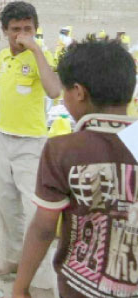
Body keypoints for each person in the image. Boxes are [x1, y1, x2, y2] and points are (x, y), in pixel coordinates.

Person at [11, 39, 138, 298]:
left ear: (78, 92)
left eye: (66, 90)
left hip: (80, 287)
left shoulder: (63, 149)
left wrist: (20, 286)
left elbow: (44, 227)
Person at [0, 1, 61, 290]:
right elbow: (1, 93)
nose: (22, 34)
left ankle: (42, 279)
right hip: (5, 140)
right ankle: (13, 259)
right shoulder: (3, 57)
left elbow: (54, 90)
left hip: (31, 145)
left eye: (28, 29)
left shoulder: (39, 56)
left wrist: (35, 49)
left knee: (37, 214)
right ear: (6, 32)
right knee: (8, 207)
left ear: (36, 29)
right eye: (16, 30)